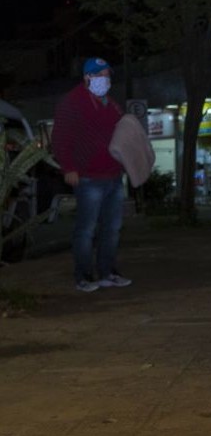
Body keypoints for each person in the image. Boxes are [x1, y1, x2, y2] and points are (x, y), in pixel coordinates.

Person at [52, 57, 132, 293]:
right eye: (100, 75)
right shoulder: (71, 102)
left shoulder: (111, 104)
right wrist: (69, 168)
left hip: (113, 175)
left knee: (112, 228)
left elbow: (122, 134)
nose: (105, 79)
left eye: (107, 75)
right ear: (87, 77)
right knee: (86, 230)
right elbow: (61, 138)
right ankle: (84, 276)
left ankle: (108, 272)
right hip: (87, 177)